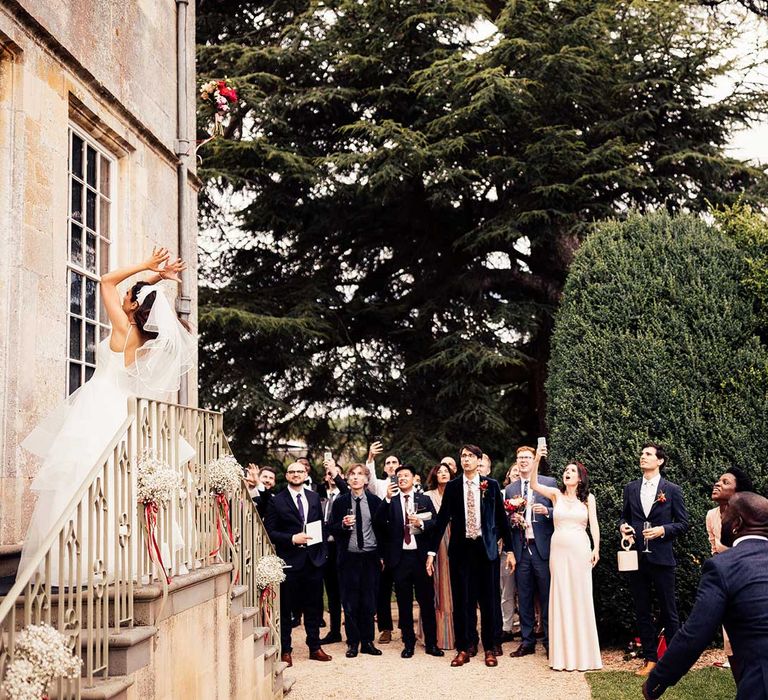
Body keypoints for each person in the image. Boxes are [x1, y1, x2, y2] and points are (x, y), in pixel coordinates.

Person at [19, 247, 194, 584]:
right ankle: (125, 563)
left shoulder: (122, 328)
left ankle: (76, 564)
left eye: (129, 295)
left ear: (131, 306)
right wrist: (156, 278)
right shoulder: (144, 338)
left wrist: (145, 266)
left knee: (80, 483)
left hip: (98, 406)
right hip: (122, 408)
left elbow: (105, 281)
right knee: (115, 487)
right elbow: (133, 294)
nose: (124, 294)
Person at [643, 492, 768, 700]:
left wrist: (656, 681)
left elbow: (695, 634)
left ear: (737, 523)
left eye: (726, 513)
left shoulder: (723, 566)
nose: (722, 518)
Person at [426, 444, 515, 668]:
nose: (465, 460)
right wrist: (431, 552)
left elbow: (502, 521)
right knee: (463, 600)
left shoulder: (491, 485)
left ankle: (490, 648)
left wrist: (510, 551)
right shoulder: (454, 487)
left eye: (470, 456)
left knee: (488, 601)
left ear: (478, 460)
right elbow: (442, 519)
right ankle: (464, 648)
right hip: (461, 551)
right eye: (463, 456)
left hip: (486, 551)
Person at [620, 443, 689, 677]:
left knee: (669, 610)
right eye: (641, 454)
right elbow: (623, 517)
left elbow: (683, 523)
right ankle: (650, 659)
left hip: (662, 557)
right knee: (641, 609)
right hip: (636, 558)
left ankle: (675, 660)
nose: (643, 457)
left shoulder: (672, 490)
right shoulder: (630, 488)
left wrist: (662, 530)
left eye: (648, 454)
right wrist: (624, 528)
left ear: (660, 461)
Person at [529, 449, 602, 670]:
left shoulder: (588, 498)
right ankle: (563, 656)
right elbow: (533, 484)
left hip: (580, 549)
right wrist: (538, 459)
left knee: (580, 596)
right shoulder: (555, 494)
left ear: (580, 477)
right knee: (561, 595)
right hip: (558, 551)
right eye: (566, 470)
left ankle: (584, 655)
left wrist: (596, 547)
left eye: (572, 471)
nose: (567, 473)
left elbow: (595, 524)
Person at [264, 461, 332, 667]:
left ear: (305, 474)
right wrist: (292, 538)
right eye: (292, 472)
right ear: (287, 476)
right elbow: (270, 531)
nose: (296, 474)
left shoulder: (313, 497)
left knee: (314, 607)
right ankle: (286, 650)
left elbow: (320, 526)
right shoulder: (277, 501)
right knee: (286, 609)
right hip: (289, 562)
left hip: (313, 561)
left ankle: (315, 647)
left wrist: (322, 554)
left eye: (299, 471)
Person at [375, 465, 443, 658]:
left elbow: (436, 524)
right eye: (399, 476)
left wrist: (421, 523)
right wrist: (387, 498)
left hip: (420, 558)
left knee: (426, 601)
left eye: (406, 475)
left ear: (415, 478)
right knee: (404, 603)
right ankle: (408, 643)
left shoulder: (424, 499)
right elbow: (378, 522)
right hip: (400, 558)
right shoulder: (391, 501)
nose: (402, 478)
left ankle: (431, 643)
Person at [505, 445, 556, 658]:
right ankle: (527, 641)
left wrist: (548, 511)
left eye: (527, 457)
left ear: (535, 460)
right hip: (521, 548)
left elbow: (562, 509)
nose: (524, 460)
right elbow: (504, 520)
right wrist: (512, 519)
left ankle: (549, 641)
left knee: (546, 596)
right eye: (520, 457)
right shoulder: (511, 489)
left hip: (542, 547)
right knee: (523, 596)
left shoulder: (549, 483)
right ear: (516, 462)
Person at [328, 463, 384, 658]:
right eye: (352, 474)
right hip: (348, 558)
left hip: (370, 557)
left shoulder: (376, 502)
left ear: (366, 480)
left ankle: (368, 641)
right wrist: (342, 525)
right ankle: (353, 642)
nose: (355, 477)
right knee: (350, 602)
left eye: (360, 474)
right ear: (348, 479)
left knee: (369, 602)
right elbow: (331, 527)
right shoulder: (340, 502)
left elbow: (384, 530)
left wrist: (382, 556)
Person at [706, 467, 753, 679]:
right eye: (718, 480)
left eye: (725, 482)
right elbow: (714, 550)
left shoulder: (750, 514)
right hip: (727, 583)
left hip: (750, 581)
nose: (717, 483)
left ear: (737, 492)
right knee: (729, 640)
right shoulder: (711, 516)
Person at [365, 441, 401, 643]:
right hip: (384, 543)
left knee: (404, 585)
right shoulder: (379, 484)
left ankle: (406, 626)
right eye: (388, 462)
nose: (391, 465)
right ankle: (385, 628)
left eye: (395, 462)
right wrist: (371, 458)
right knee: (383, 587)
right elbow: (368, 480)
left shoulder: (410, 484)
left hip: (405, 541)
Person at [421, 463, 455, 650]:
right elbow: (423, 521)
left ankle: (456, 634)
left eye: (446, 471)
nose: (443, 474)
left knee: (454, 583)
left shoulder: (457, 493)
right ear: (434, 475)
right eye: (439, 472)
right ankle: (437, 636)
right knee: (437, 585)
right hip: (435, 542)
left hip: (456, 541)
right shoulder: (428, 496)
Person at [319, 457, 349, 645]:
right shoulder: (320, 497)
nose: (330, 476)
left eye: (334, 473)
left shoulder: (345, 495)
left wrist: (334, 470)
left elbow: (345, 489)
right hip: (325, 549)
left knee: (346, 590)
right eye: (328, 473)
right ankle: (334, 631)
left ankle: (353, 631)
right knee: (331, 593)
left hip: (342, 548)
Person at [500, 462, 521, 641]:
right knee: (506, 589)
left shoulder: (533, 494)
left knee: (524, 590)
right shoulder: (501, 494)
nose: (516, 472)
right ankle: (506, 626)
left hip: (526, 545)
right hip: (507, 548)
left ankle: (524, 624)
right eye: (513, 470)